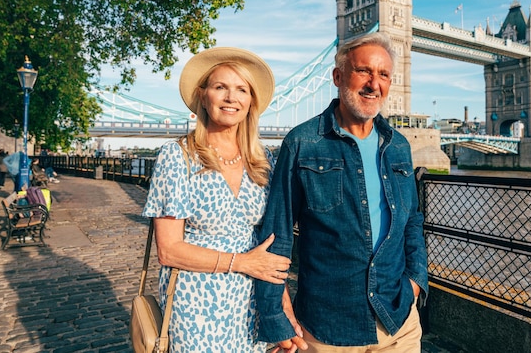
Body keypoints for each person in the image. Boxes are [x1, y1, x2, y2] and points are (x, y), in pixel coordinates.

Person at [255, 32, 429, 352]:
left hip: (399, 324)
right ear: (338, 76)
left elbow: (413, 222)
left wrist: (415, 282)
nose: (373, 83)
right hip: (328, 329)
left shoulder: (399, 147)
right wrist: (275, 315)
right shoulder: (302, 143)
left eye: (384, 75)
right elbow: (275, 235)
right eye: (363, 71)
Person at [141, 47, 291, 352]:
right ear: (203, 96)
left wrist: (282, 311)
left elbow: (269, 247)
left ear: (251, 102)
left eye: (241, 90)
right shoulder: (178, 156)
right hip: (196, 304)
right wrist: (243, 262)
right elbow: (169, 251)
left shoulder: (263, 162)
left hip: (252, 303)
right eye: (220, 87)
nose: (231, 98)